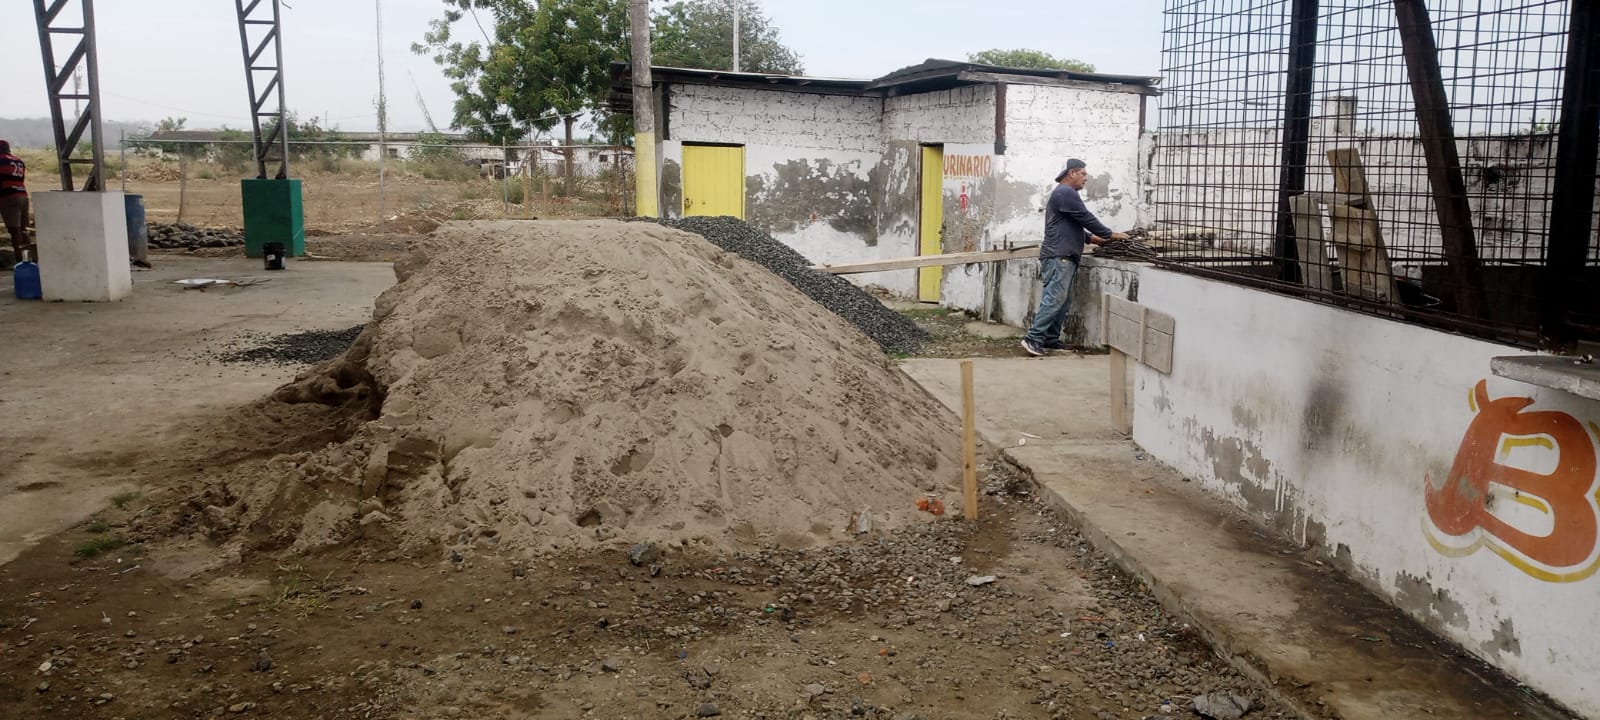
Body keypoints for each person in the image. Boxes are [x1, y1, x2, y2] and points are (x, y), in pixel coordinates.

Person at [1021, 158, 1128, 357]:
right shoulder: (1065, 192)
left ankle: (1050, 339)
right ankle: (1033, 338)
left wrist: (1092, 239)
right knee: (1055, 298)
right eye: (1083, 174)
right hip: (1059, 256)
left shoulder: (1064, 194)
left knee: (1063, 300)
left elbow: (1071, 224)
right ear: (1072, 173)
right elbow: (1085, 217)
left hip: (1064, 255)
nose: (1085, 178)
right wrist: (1109, 234)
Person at [0, 140, 30, 263]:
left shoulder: (1, 160)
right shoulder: (18, 161)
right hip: (22, 194)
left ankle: (20, 262)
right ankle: (31, 258)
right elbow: (21, 179)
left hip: (9, 197)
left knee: (14, 231)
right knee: (23, 229)